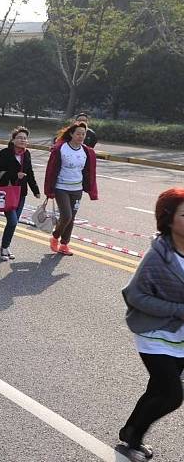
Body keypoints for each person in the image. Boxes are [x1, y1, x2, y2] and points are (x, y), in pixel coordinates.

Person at [118, 188, 184, 461]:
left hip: (179, 334)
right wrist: (177, 310)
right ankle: (132, 437)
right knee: (171, 395)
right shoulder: (158, 257)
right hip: (154, 334)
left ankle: (129, 433)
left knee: (158, 389)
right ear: (168, 219)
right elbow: (133, 294)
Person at [44, 122, 98, 256]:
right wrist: (49, 190)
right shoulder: (60, 148)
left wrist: (91, 190)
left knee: (72, 218)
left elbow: (90, 172)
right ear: (71, 134)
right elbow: (50, 170)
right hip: (61, 187)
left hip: (77, 189)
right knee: (66, 216)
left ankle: (64, 244)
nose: (81, 136)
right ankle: (55, 237)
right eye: (78, 133)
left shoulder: (87, 151)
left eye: (83, 134)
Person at [0, 127, 40, 261]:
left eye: (25, 138)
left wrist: (35, 190)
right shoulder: (5, 153)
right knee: (12, 221)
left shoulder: (27, 154)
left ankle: (5, 247)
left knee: (14, 222)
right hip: (7, 192)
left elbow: (29, 173)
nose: (23, 140)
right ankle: (4, 248)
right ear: (13, 140)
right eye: (20, 137)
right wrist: (14, 175)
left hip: (21, 192)